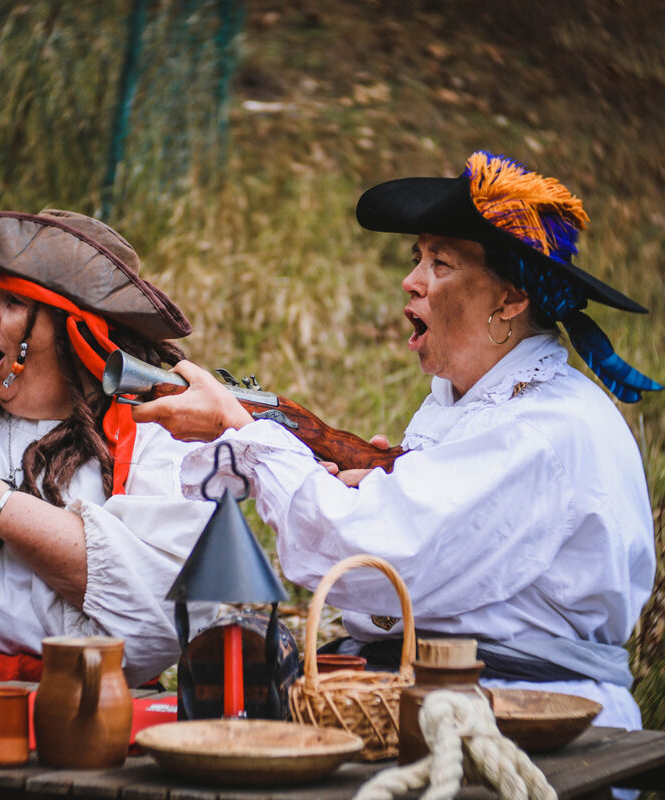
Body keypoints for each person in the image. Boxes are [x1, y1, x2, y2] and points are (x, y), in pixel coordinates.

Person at [131, 151, 662, 728]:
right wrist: (369, 481)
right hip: (444, 700)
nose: (410, 280)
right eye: (417, 258)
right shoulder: (463, 404)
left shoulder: (541, 428)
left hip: (534, 719)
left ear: (510, 299)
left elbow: (372, 559)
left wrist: (247, 432)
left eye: (441, 263)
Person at [0, 209, 216, 686]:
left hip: (85, 700)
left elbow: (167, 618)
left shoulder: (158, 429)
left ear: (75, 331)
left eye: (10, 301)